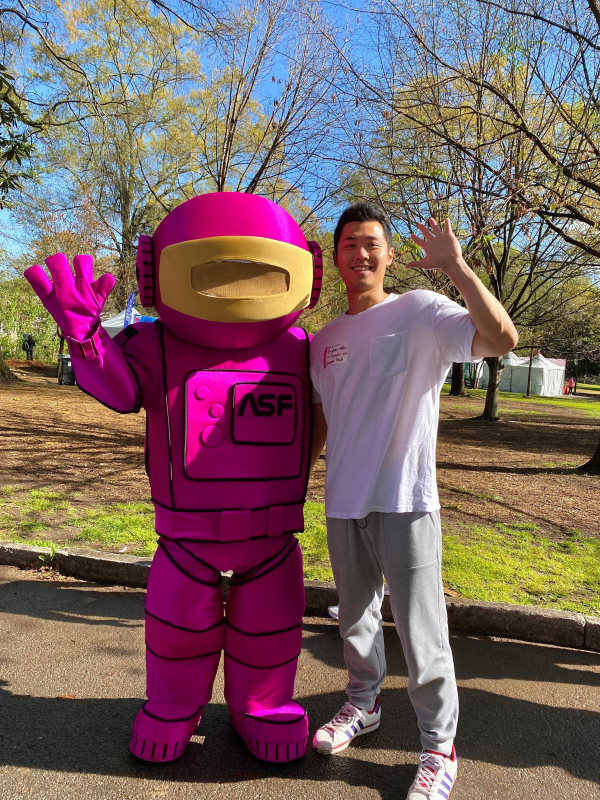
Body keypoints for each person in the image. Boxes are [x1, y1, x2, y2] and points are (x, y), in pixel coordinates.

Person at [309, 202, 518, 799]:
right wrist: (298, 483)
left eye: (372, 243)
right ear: (337, 256)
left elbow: (502, 338)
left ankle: (438, 747)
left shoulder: (423, 311)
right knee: (355, 621)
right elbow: (322, 423)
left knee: (423, 634)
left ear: (390, 254)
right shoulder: (322, 341)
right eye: (349, 244)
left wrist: (456, 268)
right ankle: (363, 705)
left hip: (406, 499)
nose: (361, 253)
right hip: (343, 501)